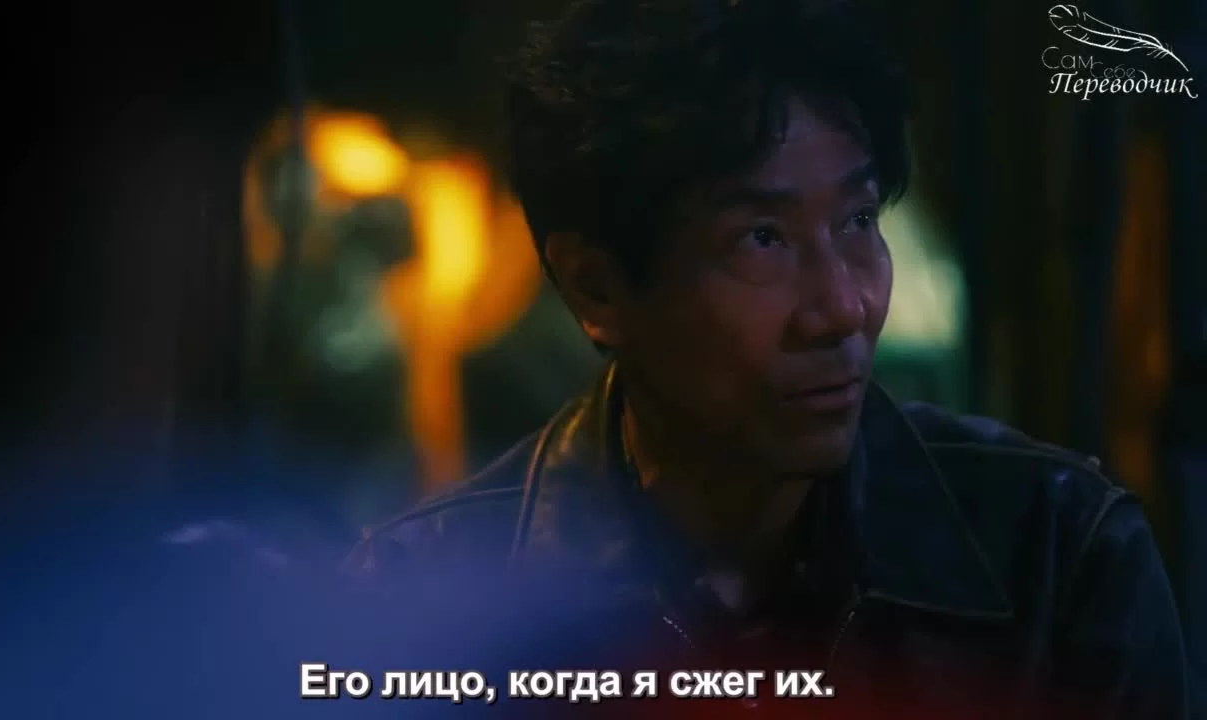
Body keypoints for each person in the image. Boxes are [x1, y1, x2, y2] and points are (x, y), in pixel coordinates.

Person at [346, 0, 1194, 717]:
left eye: (858, 222)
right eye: (762, 239)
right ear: (596, 287)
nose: (843, 308)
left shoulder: (1056, 559)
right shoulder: (414, 605)